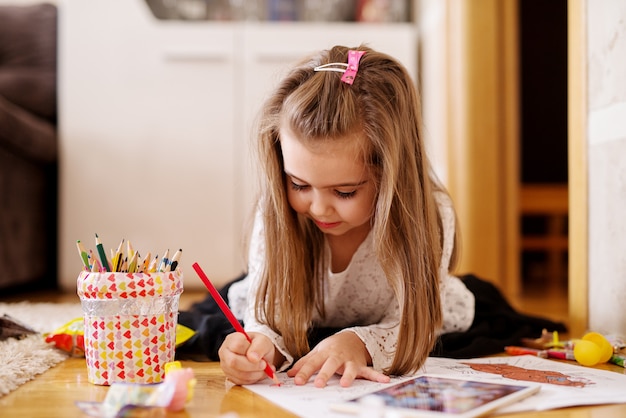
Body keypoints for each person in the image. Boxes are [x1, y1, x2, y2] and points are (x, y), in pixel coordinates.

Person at [216, 44, 475, 388]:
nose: (320, 208)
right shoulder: (277, 209)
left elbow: (410, 325)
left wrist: (357, 343)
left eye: (345, 192)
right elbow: (269, 319)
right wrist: (263, 350)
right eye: (299, 184)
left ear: (392, 177)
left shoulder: (431, 216)